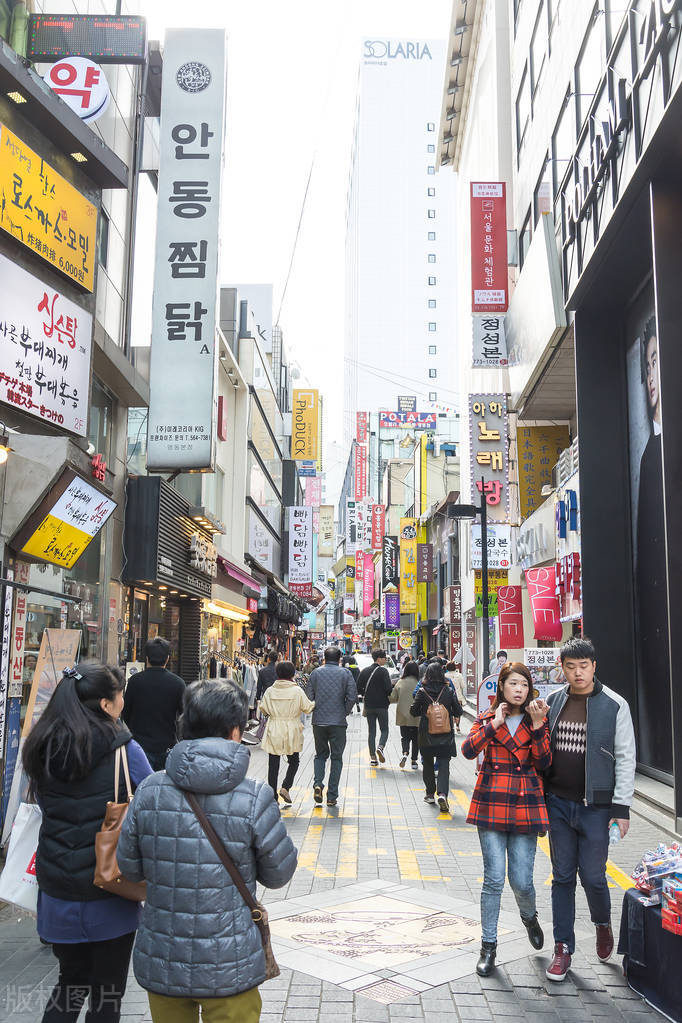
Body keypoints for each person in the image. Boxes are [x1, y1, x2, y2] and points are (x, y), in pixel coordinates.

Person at [118, 679, 297, 1022]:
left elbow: (130, 868)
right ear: (234, 732)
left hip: (164, 959)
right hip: (230, 964)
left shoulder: (151, 790)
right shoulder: (256, 796)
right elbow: (279, 874)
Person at [23, 663, 152, 1023]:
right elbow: (152, 796)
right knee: (107, 994)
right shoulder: (123, 750)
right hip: (109, 884)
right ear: (106, 705)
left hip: (57, 885)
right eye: (120, 695)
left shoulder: (41, 744)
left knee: (70, 982)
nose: (123, 700)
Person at [543, 636, 636, 982]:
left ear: (594, 667)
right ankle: (562, 948)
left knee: (594, 877)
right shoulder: (553, 701)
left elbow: (626, 757)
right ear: (563, 668)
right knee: (562, 877)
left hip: (597, 808)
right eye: (571, 666)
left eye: (584, 666)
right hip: (558, 803)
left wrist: (621, 808)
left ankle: (601, 923)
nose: (578, 672)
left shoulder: (615, 705)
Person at [462, 662, 551, 977]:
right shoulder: (488, 717)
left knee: (522, 881)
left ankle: (529, 917)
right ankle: (488, 946)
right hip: (492, 803)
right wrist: (493, 724)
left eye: (524, 685)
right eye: (513, 684)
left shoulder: (537, 718)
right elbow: (468, 750)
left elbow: (544, 761)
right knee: (494, 879)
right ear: (501, 687)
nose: (519, 690)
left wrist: (539, 728)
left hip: (525, 804)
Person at [122, 637, 185, 771]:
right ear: (167, 659)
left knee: (140, 786)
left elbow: (125, 714)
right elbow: (183, 715)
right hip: (167, 746)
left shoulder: (134, 681)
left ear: (147, 658)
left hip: (140, 747)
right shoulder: (178, 683)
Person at [306, 646, 357, 807]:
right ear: (340, 658)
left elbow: (308, 696)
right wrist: (344, 712)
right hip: (338, 723)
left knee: (320, 755)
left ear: (324, 659)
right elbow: (352, 696)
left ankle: (317, 783)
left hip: (318, 721)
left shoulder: (315, 673)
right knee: (336, 757)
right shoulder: (346, 673)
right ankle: (332, 796)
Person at [260, 660, 315, 804]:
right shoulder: (297, 691)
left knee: (273, 764)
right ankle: (286, 786)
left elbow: (264, 709)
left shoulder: (270, 690)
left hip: (275, 728)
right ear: (292, 674)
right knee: (294, 761)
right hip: (292, 728)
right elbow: (308, 708)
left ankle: (273, 796)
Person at [410, 662, 462, 813]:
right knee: (444, 764)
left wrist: (425, 712)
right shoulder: (449, 690)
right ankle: (443, 794)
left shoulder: (421, 691)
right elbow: (458, 711)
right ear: (442, 674)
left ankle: (429, 794)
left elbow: (413, 711)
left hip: (426, 734)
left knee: (427, 764)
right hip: (445, 734)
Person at [357, 649, 393, 766]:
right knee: (384, 729)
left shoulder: (365, 671)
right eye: (384, 658)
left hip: (369, 705)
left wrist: (366, 695)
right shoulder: (383, 672)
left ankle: (373, 758)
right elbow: (388, 689)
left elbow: (358, 688)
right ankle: (381, 747)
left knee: (371, 731)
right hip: (382, 705)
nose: (385, 660)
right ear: (379, 658)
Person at [389, 660, 420, 769]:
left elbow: (393, 698)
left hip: (403, 715)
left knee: (405, 737)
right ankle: (414, 761)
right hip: (417, 716)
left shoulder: (400, 682)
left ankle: (405, 753)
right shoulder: (419, 682)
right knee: (416, 739)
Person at [445, 661, 466, 732]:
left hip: (448, 696)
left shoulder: (445, 676)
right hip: (458, 696)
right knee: (457, 711)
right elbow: (463, 686)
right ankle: (457, 725)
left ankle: (451, 725)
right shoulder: (459, 675)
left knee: (449, 711)